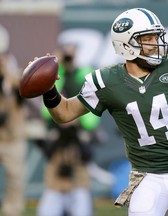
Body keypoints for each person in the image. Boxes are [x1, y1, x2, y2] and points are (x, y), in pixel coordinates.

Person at [34, 8, 168, 216]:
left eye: (157, 37)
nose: (156, 44)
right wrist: (49, 89)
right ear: (127, 44)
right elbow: (64, 113)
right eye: (149, 38)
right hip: (149, 178)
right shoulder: (106, 81)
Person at [37, 44, 100, 216]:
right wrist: (59, 68)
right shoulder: (58, 74)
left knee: (81, 198)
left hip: (78, 142)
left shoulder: (83, 73)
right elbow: (47, 110)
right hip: (58, 144)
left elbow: (89, 109)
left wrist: (77, 124)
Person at [0, 50, 27, 215]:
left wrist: (7, 74)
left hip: (13, 138)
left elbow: (22, 87)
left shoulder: (14, 76)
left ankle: (13, 210)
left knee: (16, 179)